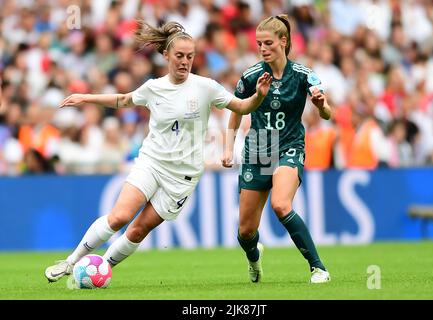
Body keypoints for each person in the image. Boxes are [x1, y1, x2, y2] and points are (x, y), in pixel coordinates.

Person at [44, 20, 272, 283]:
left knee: (139, 230)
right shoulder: (154, 88)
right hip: (151, 162)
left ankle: (101, 269)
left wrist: (259, 96)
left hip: (183, 176)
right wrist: (86, 98)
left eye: (190, 56)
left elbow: (242, 107)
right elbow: (123, 100)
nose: (185, 62)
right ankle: (70, 263)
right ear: (166, 55)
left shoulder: (206, 87)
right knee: (119, 217)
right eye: (179, 56)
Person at [221, 14, 332, 284]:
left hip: (289, 145)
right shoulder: (251, 76)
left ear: (283, 41)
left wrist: (320, 105)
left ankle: (318, 268)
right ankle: (254, 257)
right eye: (259, 43)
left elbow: (327, 113)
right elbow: (236, 110)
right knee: (245, 231)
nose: (262, 48)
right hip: (259, 148)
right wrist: (228, 146)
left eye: (268, 43)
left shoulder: (304, 74)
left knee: (281, 205)